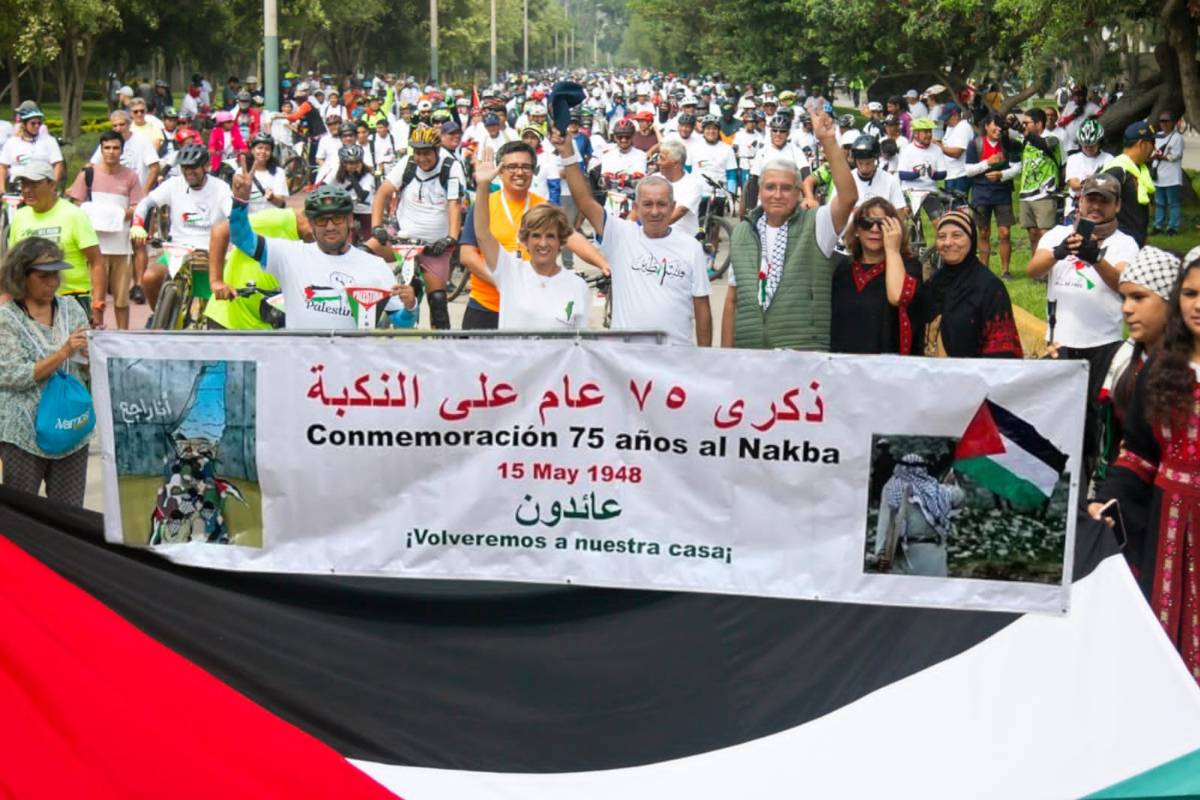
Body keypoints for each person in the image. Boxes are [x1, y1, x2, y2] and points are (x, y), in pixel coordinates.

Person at [1090, 247, 1200, 682]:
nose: (1198, 304)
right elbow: (1136, 454)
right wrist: (1105, 501)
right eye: (1191, 293)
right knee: (1167, 635)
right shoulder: (1160, 371)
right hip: (1170, 525)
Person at [554, 130, 713, 346]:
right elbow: (584, 200)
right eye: (647, 204)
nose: (655, 212)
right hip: (627, 357)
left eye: (662, 204)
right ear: (636, 207)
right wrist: (568, 154)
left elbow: (702, 308)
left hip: (677, 357)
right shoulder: (621, 235)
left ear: (672, 207)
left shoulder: (691, 247)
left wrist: (705, 358)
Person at [722, 106, 857, 350]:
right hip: (751, 355)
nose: (777, 195)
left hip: (802, 354)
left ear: (798, 193)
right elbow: (732, 300)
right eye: (770, 187)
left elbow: (848, 198)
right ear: (760, 191)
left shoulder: (816, 224)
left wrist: (828, 141)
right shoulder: (744, 231)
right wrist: (724, 358)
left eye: (786, 188)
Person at [227, 174, 415, 330]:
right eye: (322, 220)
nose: (330, 226)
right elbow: (241, 237)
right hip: (302, 368)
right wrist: (240, 202)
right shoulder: (289, 255)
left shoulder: (375, 266)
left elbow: (403, 322)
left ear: (350, 220)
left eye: (337, 219)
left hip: (352, 369)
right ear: (311, 224)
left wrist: (410, 306)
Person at [457, 141, 605, 330]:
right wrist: (507, 282)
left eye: (525, 167)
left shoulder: (542, 207)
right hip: (486, 306)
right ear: (500, 171)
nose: (519, 172)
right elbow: (468, 256)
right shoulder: (483, 207)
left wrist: (604, 265)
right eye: (512, 167)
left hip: (529, 305)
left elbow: (571, 237)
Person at [0, 238, 92, 506]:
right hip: (24, 433)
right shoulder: (6, 319)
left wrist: (89, 356)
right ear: (21, 276)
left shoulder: (71, 309)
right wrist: (63, 352)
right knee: (23, 516)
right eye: (43, 276)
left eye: (56, 275)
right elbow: (14, 375)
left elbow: (85, 371)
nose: (52, 282)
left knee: (70, 513)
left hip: (72, 430)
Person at [1088, 246, 1179, 497]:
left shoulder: (1190, 371)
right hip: (1124, 497)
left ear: (1171, 302)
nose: (1126, 309)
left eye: (1138, 297)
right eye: (1124, 298)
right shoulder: (1121, 359)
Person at [1028, 172, 1138, 361]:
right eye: (1091, 199)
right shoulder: (1057, 234)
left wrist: (1096, 259)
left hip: (1104, 343)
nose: (1096, 206)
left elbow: (1123, 285)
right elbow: (1033, 271)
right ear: (1080, 201)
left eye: (1104, 201)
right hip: (1059, 341)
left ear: (1117, 205)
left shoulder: (1126, 243)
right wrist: (1057, 253)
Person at [886, 209, 1023, 358]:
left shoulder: (989, 287)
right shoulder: (935, 283)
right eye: (941, 237)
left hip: (974, 377)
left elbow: (1003, 350)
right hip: (931, 376)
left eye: (957, 235)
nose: (948, 243)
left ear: (972, 239)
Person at [366, 125, 464, 331]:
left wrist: (451, 238)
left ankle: (443, 349)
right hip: (401, 237)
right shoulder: (408, 164)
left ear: (437, 151)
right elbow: (382, 193)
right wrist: (376, 227)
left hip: (434, 245)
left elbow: (454, 204)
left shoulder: (451, 167)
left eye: (426, 153)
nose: (422, 159)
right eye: (418, 153)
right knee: (363, 253)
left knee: (437, 301)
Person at [130, 144, 232, 309]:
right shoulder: (173, 184)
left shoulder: (221, 188)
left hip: (210, 251)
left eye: (194, 168)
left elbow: (231, 214)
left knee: (215, 304)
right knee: (149, 278)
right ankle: (159, 318)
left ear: (206, 167)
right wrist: (137, 225)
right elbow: (145, 204)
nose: (189, 173)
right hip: (177, 250)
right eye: (185, 168)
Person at [7, 160, 104, 327]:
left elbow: (96, 262)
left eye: (34, 184)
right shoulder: (19, 217)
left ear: (52, 184)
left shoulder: (74, 215)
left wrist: (97, 306)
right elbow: (13, 266)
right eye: (24, 184)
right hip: (31, 301)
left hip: (72, 298)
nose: (27, 190)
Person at [67, 131, 145, 330]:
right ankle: (95, 337)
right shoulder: (88, 175)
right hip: (93, 248)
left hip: (121, 247)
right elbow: (76, 206)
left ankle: (123, 337)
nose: (111, 152)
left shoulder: (131, 177)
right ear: (101, 150)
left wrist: (117, 214)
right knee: (96, 299)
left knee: (121, 300)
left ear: (122, 150)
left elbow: (138, 206)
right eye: (107, 148)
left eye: (115, 148)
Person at [833, 199, 922, 354]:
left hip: (887, 367)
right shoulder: (843, 269)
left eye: (883, 224)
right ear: (856, 229)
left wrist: (893, 250)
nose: (874, 229)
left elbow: (898, 296)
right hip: (845, 366)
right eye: (867, 223)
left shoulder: (909, 266)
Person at [206, 206, 314, 330]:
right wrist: (216, 281)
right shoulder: (278, 221)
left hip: (270, 326)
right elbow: (221, 230)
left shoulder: (320, 243)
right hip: (231, 319)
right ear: (311, 221)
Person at [871, 453, 965, 577]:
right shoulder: (936, 489)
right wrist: (950, 486)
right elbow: (958, 498)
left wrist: (881, 552)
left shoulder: (892, 487)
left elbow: (885, 523)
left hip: (910, 555)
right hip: (929, 555)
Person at [964, 112, 1021, 279]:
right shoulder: (975, 144)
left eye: (1001, 125)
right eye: (995, 125)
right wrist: (987, 163)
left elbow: (1017, 168)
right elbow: (968, 171)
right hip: (981, 193)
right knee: (983, 232)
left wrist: (1001, 175)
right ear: (986, 126)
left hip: (1002, 193)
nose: (998, 128)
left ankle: (1005, 271)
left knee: (1005, 232)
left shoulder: (1009, 144)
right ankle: (984, 271)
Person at [1016, 108, 1064, 254]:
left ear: (1039, 124)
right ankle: (1038, 269)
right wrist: (1006, 129)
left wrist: (1025, 134)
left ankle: (1049, 268)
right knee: (1033, 234)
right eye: (1022, 123)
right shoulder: (1026, 141)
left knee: (1046, 235)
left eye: (1027, 123)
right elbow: (1008, 147)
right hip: (1026, 194)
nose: (1024, 126)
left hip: (1045, 193)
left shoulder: (1053, 139)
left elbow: (1044, 145)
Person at [1102, 121, 1156, 248]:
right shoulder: (1117, 171)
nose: (1154, 148)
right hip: (1119, 244)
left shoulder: (1139, 170)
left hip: (1136, 240)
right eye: (1152, 143)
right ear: (1142, 144)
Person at [830, 135, 905, 217]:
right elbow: (833, 210)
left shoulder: (890, 181)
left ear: (875, 160)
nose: (864, 168)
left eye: (868, 163)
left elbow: (900, 212)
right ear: (855, 161)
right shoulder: (844, 180)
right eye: (860, 163)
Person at [0, 104, 64, 188]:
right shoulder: (11, 142)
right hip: (17, 185)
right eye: (33, 123)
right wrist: (1, 189)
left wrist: (53, 186)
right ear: (23, 124)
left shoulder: (49, 140)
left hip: (41, 186)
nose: (37, 126)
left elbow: (58, 165)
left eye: (39, 123)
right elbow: (2, 167)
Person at [897, 118, 949, 218]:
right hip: (910, 191)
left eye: (930, 131)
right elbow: (901, 175)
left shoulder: (937, 149)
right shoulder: (907, 150)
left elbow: (943, 173)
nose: (929, 135)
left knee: (939, 222)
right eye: (925, 132)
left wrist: (934, 174)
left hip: (930, 190)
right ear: (916, 134)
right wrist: (916, 174)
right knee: (910, 222)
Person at [653, 140, 704, 240]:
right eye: (659, 158)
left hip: (683, 242)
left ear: (676, 164)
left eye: (662, 159)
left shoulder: (693, 184)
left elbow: (679, 212)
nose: (658, 162)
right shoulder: (654, 179)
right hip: (657, 239)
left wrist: (652, 228)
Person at [1065, 119, 1112, 220]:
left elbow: (1109, 185)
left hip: (1100, 209)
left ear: (1099, 143)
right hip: (1076, 208)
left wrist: (1087, 181)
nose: (1087, 148)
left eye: (1091, 145)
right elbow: (1074, 185)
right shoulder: (1073, 159)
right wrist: (1096, 181)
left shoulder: (1109, 159)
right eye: (1084, 145)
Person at [1152, 111, 1184, 235]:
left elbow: (1176, 155)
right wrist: (1153, 156)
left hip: (1172, 176)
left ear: (1172, 123)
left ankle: (1173, 227)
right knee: (1159, 203)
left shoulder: (1177, 137)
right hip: (1158, 175)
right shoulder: (1157, 136)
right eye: (1161, 121)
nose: (1164, 124)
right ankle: (1158, 225)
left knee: (1173, 203)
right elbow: (1152, 151)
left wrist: (1161, 157)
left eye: (1166, 121)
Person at [243, 132, 289, 213]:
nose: (263, 151)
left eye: (267, 149)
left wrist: (272, 197)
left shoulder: (279, 172)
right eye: (259, 148)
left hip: (271, 221)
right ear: (252, 150)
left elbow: (281, 202)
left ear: (271, 153)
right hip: (249, 221)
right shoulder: (241, 172)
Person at [937, 102, 974, 195]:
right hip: (950, 174)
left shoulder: (963, 127)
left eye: (947, 118)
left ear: (955, 115)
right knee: (949, 206)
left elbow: (957, 153)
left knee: (957, 206)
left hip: (960, 175)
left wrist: (939, 147)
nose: (945, 121)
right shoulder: (951, 127)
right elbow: (946, 144)